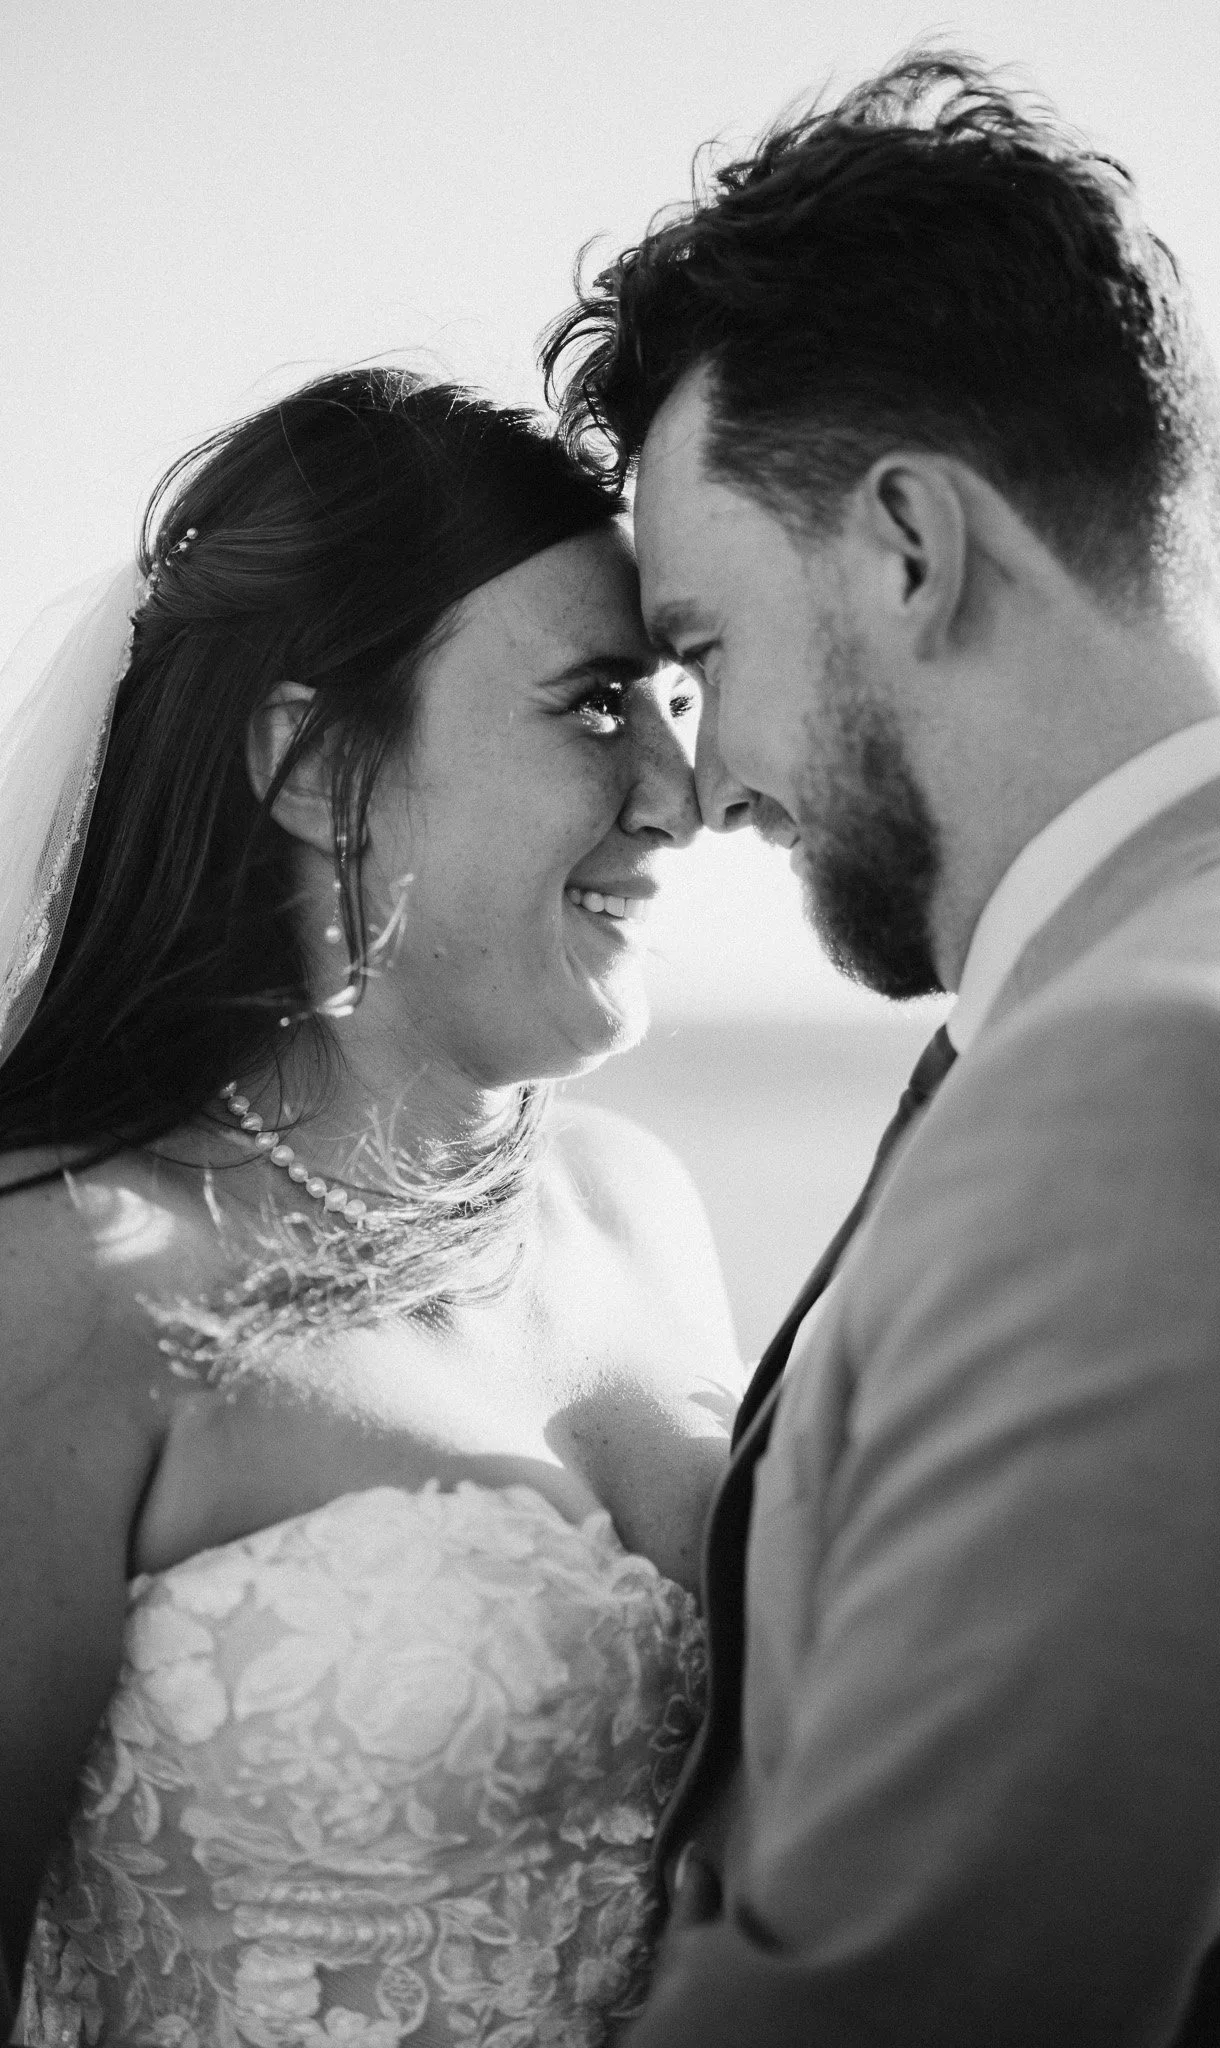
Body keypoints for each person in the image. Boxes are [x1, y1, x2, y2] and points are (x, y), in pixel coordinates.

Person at [542, 47, 1220, 2046]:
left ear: (910, 541)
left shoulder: (1165, 1092)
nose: (702, 781)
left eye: (704, 650)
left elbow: (905, 1998)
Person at [0, 367, 744, 2045]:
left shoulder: (641, 1212)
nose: (680, 797)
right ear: (319, 763)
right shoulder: (56, 1283)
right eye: (592, 705)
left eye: (673, 704)